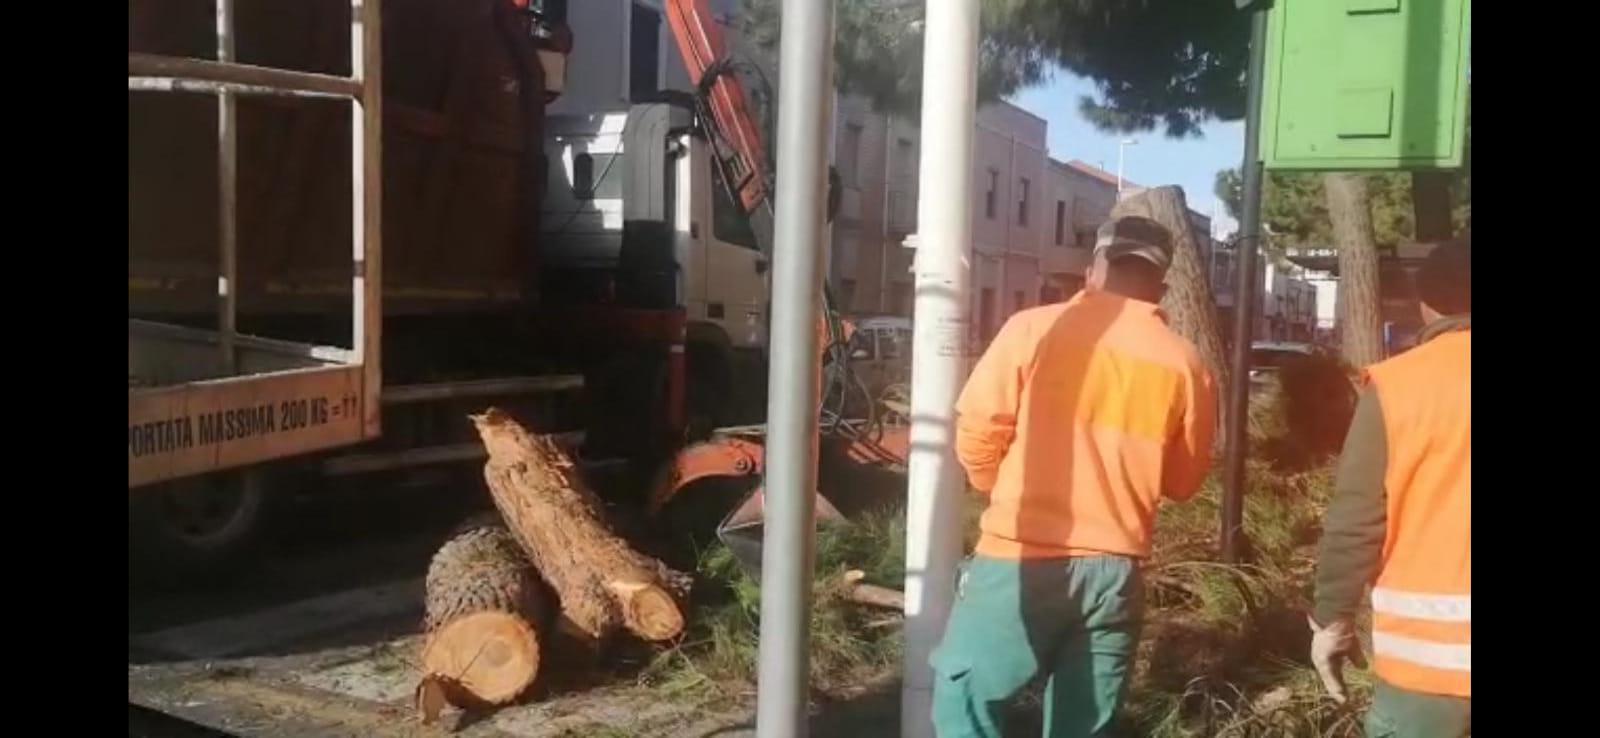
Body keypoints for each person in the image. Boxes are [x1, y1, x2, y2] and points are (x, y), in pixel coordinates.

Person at [930, 215, 1218, 737]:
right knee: (1083, 726)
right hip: (1115, 572)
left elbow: (977, 430)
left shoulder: (1034, 329)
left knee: (965, 701)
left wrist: (996, 488)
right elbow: (1182, 482)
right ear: (1163, 286)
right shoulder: (1185, 363)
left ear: (1094, 268)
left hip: (1022, 555)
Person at [1310, 233, 1471, 737]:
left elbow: (1357, 516)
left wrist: (1333, 618)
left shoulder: (1400, 386)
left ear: (1427, 304)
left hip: (1427, 667)